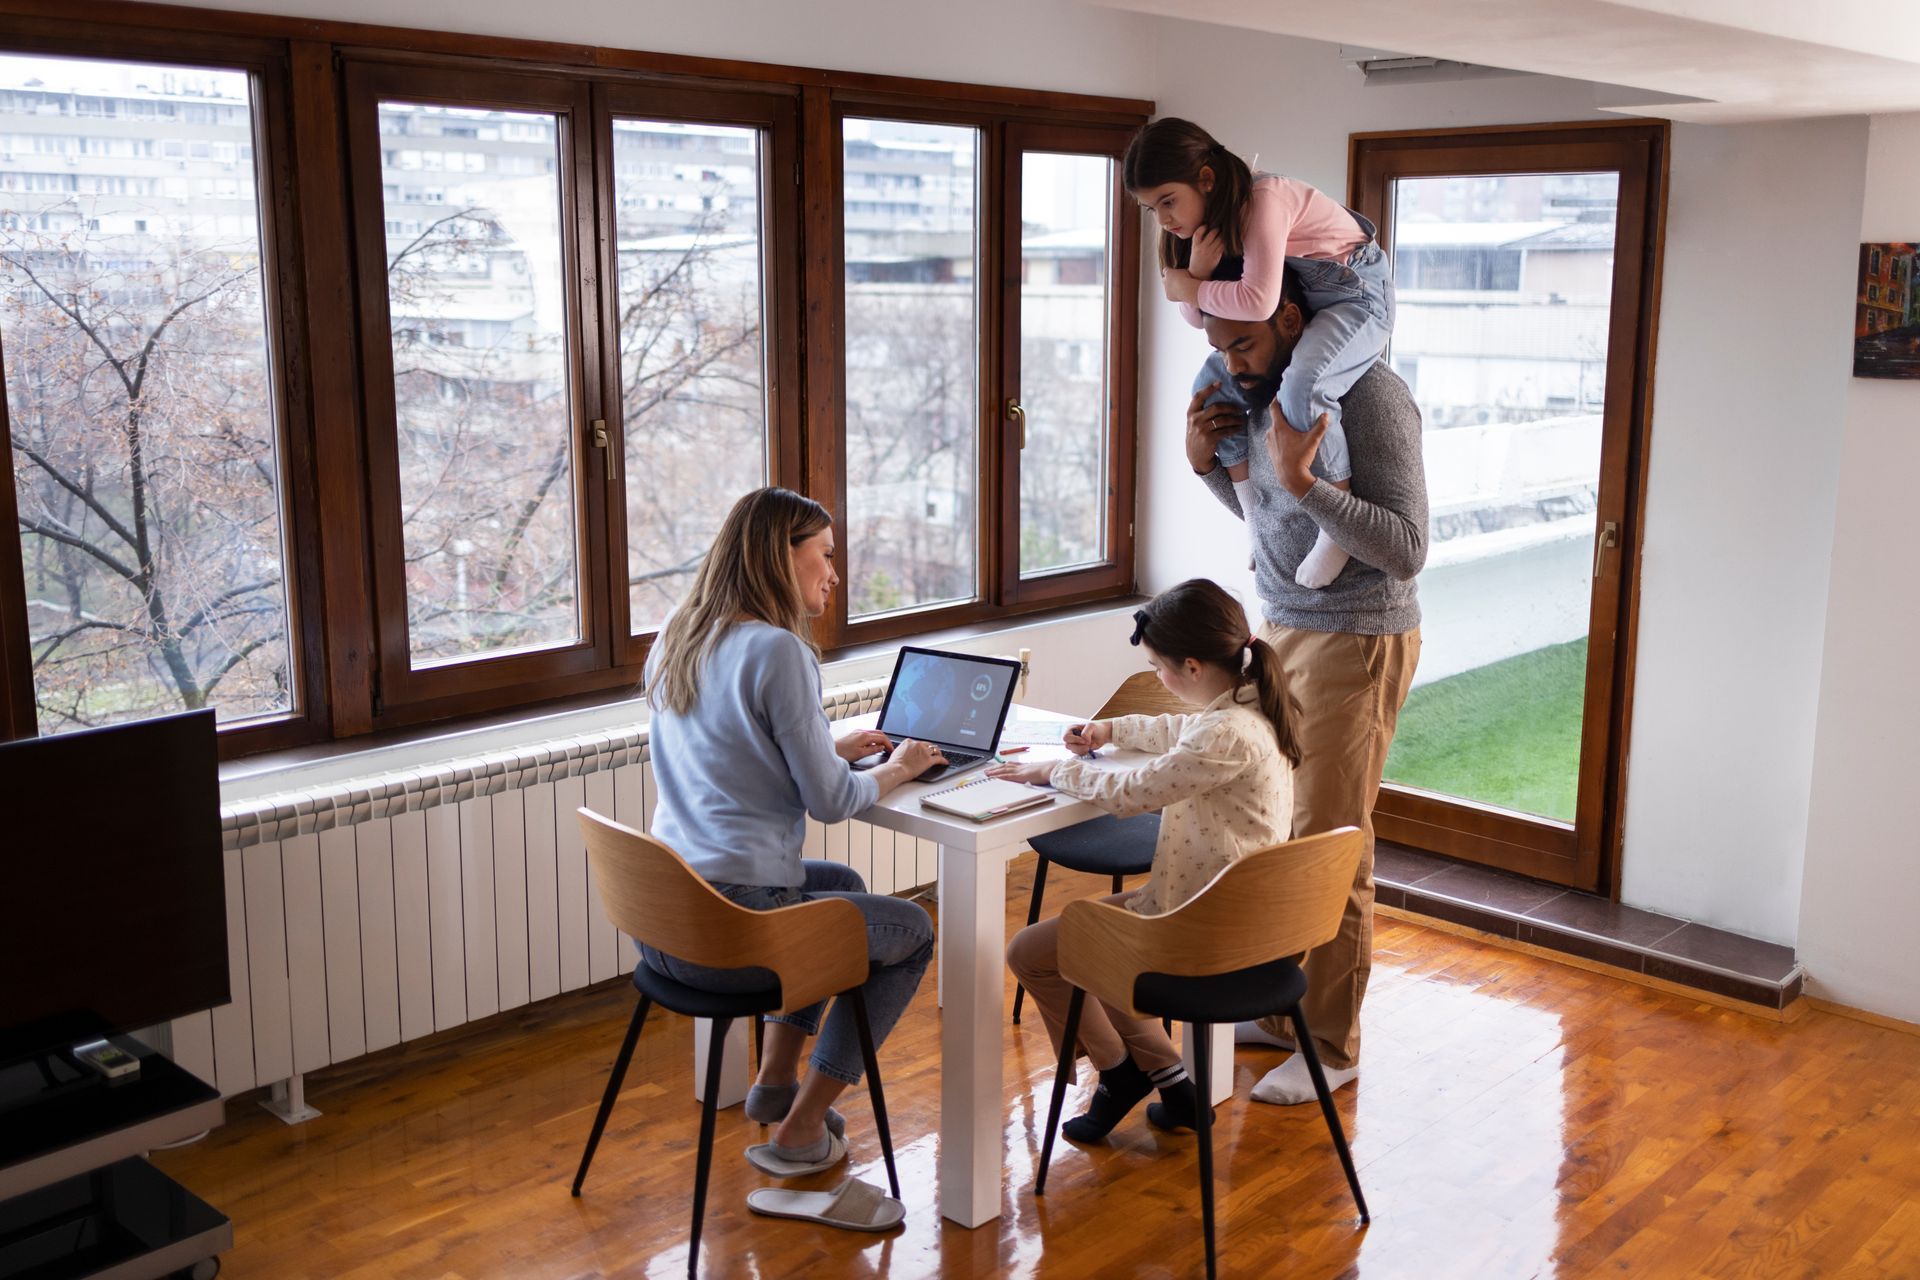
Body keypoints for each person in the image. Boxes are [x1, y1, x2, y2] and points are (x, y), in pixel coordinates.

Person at [641, 486, 947, 1182]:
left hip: (673, 911)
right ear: (782, 557)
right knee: (912, 932)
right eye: (826, 555)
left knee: (841, 888)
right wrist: (900, 765)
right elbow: (833, 802)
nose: (834, 573)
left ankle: (776, 1079)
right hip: (733, 925)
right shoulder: (780, 652)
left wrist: (827, 746)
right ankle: (802, 1129)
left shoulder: (680, 635)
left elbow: (731, 755)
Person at [1184, 265, 1426, 1105]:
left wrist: (1304, 480)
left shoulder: (1372, 396)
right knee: (1278, 833)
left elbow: (1404, 547)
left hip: (1357, 634)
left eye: (1245, 342)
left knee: (1331, 843)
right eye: (1219, 347)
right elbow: (1276, 526)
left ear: (1289, 316)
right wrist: (1206, 466)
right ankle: (1287, 1012)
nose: (1234, 364)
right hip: (1280, 625)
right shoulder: (1248, 389)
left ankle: (1331, 1041)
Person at [988, 579, 1297, 1140]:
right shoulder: (1243, 707)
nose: (1157, 678)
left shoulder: (1227, 734)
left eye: (1158, 668)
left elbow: (1133, 793)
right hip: (1216, 909)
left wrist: (1054, 770)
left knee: (1040, 952)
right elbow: (1173, 730)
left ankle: (1118, 1072)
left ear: (1193, 666)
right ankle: (1167, 1078)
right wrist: (1109, 729)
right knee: (1070, 946)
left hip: (1197, 926)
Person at [1126, 116, 1395, 589]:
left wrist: (1190, 285)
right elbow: (1206, 321)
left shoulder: (1264, 200)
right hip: (1303, 301)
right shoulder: (1208, 230)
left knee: (1306, 386)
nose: (1165, 219)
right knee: (1208, 391)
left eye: (1168, 201)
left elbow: (1257, 302)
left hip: (1357, 296)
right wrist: (1199, 274)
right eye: (1152, 210)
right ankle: (1253, 517)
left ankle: (1336, 528)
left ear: (1205, 180)